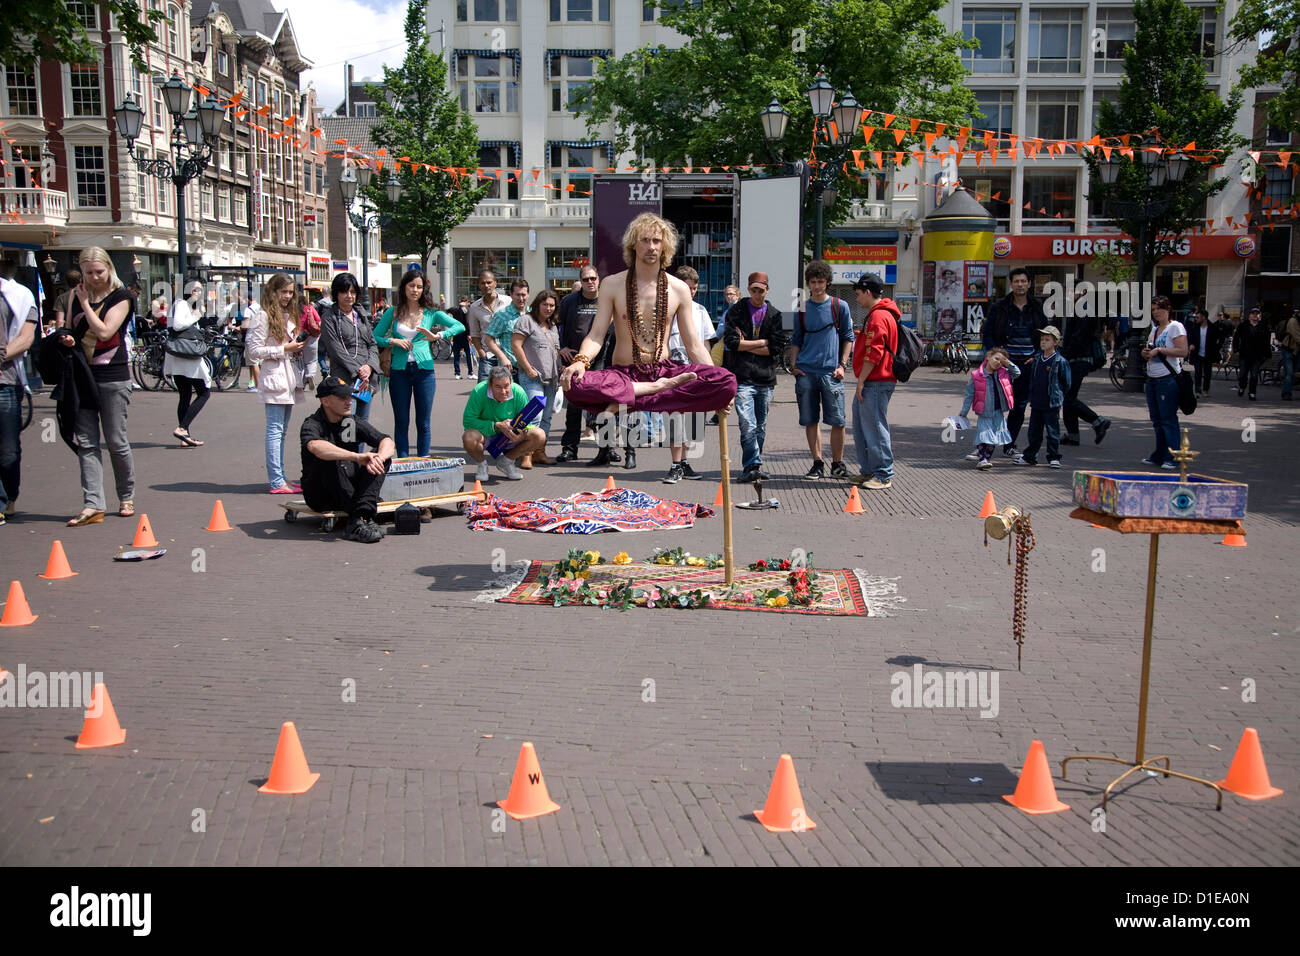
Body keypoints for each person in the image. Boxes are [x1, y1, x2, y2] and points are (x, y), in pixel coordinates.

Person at [561, 213, 736, 473]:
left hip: (663, 372)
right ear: (634, 245)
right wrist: (580, 361)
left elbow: (694, 345)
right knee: (572, 383)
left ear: (665, 246)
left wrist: (717, 380)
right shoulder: (611, 284)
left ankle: (635, 396)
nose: (651, 246)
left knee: (727, 382)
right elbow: (596, 334)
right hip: (623, 375)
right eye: (645, 240)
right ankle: (646, 392)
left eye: (657, 241)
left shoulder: (678, 289)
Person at [54, 247, 137, 526]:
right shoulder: (73, 297)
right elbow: (66, 328)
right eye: (88, 272)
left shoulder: (121, 296)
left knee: (116, 441)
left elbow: (104, 331)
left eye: (99, 272)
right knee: (87, 443)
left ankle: (126, 495)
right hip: (81, 376)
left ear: (109, 268)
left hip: (113, 376)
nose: (94, 277)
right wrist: (65, 338)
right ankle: (93, 504)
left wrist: (86, 303)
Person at [374, 269, 464, 458]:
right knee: (401, 421)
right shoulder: (393, 311)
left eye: (419, 287)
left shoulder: (431, 312)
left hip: (424, 372)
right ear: (404, 287)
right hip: (399, 371)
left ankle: (423, 461)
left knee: (423, 422)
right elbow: (375, 336)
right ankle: (404, 461)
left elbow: (459, 326)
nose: (415, 290)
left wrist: (437, 336)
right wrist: (393, 341)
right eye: (411, 286)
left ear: (424, 289)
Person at [300, 375, 396, 544]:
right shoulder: (313, 423)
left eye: (349, 396)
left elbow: (386, 440)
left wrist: (378, 458)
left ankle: (361, 516)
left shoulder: (351, 421)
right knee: (329, 455)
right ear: (326, 401)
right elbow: (316, 447)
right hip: (321, 494)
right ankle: (359, 520)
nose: (349, 401)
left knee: (381, 457)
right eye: (342, 397)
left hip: (349, 489)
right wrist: (356, 457)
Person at [790, 259, 854, 480]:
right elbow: (796, 339)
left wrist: (842, 365)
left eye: (821, 282)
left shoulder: (840, 306)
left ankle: (837, 464)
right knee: (810, 420)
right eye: (813, 282)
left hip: (831, 372)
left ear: (827, 282)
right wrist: (794, 365)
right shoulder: (802, 309)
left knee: (838, 420)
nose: (817, 286)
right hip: (806, 371)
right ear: (808, 283)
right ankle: (817, 463)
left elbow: (848, 337)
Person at [722, 271, 787, 483]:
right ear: (748, 289)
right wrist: (762, 342)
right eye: (753, 290)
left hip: (765, 378)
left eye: (761, 290)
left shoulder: (775, 315)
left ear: (767, 290)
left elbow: (777, 348)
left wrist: (746, 345)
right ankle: (752, 465)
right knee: (747, 424)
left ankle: (754, 462)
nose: (757, 294)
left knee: (761, 425)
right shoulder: (737, 311)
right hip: (742, 377)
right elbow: (732, 343)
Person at [247, 273, 308, 493]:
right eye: (283, 292)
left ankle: (280, 477)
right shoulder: (262, 316)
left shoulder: (287, 315)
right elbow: (253, 351)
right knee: (274, 429)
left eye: (291, 292)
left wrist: (296, 347)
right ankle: (276, 480)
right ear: (273, 292)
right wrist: (284, 349)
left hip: (288, 375)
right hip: (274, 375)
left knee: (281, 431)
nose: (287, 296)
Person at [983, 267, 1048, 456]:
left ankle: (1009, 443)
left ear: (1028, 284)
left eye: (1023, 281)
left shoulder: (1037, 306)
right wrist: (995, 355)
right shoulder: (999, 306)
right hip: (1004, 362)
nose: (1020, 284)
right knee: (996, 403)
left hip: (1028, 362)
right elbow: (987, 332)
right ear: (1011, 284)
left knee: (1019, 405)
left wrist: (1037, 355)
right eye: (1016, 281)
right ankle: (989, 443)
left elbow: (1047, 332)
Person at [661, 265, 717, 482]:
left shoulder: (700, 311)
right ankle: (675, 465)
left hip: (695, 372)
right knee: (674, 419)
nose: (691, 292)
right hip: (673, 372)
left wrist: (709, 371)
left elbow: (704, 344)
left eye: (694, 288)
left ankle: (685, 462)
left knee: (693, 422)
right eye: (687, 287)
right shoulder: (666, 309)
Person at [849, 275, 900, 490]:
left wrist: (861, 381)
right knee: (863, 427)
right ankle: (870, 470)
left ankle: (882, 473)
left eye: (859, 294)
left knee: (875, 427)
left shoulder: (878, 316)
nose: (858, 299)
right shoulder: (882, 314)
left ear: (868, 292)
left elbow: (874, 353)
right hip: (876, 380)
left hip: (876, 380)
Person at [0, 265, 39, 525]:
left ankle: (9, 494)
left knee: (8, 450)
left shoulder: (19, 294)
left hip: (5, 380)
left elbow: (26, 339)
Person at [462, 365, 545, 482]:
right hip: (486, 434)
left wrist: (522, 433)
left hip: (510, 435)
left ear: (511, 382)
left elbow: (528, 421)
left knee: (539, 435)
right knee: (469, 437)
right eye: (497, 387)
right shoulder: (479, 391)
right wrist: (496, 425)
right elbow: (468, 420)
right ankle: (482, 464)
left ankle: (506, 462)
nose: (503, 391)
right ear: (490, 385)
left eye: (506, 386)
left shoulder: (518, 391)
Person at [555, 265, 603, 463]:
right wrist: (562, 347)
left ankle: (607, 450)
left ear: (599, 279)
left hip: (601, 360)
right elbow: (558, 326)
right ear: (580, 282)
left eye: (593, 278)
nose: (590, 282)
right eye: (585, 279)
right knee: (573, 406)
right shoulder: (569, 301)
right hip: (574, 360)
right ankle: (570, 448)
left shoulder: (607, 299)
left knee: (603, 407)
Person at [512, 289, 562, 465]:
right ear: (537, 305)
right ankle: (526, 453)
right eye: (545, 304)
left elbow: (554, 350)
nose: (548, 308)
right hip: (532, 376)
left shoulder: (552, 325)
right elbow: (516, 346)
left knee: (547, 417)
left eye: (551, 305)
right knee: (535, 416)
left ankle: (539, 451)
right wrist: (527, 368)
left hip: (552, 378)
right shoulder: (526, 320)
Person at [319, 272, 378, 423]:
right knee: (348, 425)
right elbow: (335, 350)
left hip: (366, 380)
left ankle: (360, 448)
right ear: (336, 293)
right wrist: (359, 371)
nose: (349, 296)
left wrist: (369, 368)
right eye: (344, 291)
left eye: (352, 292)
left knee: (362, 424)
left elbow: (372, 343)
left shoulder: (361, 314)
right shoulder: (329, 318)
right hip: (345, 378)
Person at [1140, 296, 1188, 470]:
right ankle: (1159, 453)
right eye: (1153, 309)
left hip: (1167, 378)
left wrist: (1160, 349)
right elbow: (1149, 350)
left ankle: (1173, 455)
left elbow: (1183, 351)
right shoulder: (1155, 329)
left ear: (1168, 309)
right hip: (1153, 378)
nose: (1156, 312)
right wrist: (1145, 353)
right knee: (1157, 420)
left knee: (1168, 419)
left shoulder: (1175, 327)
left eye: (1159, 308)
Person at [1013, 326, 1071, 468]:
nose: (1043, 342)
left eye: (1047, 339)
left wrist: (1059, 396)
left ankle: (1054, 457)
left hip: (1051, 403)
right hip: (1037, 401)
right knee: (1034, 431)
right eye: (1042, 339)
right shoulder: (1037, 359)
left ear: (1055, 342)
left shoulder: (1060, 361)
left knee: (1052, 431)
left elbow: (1066, 382)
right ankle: (1030, 456)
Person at [163, 280, 212, 447]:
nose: (200, 292)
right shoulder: (182, 304)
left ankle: (185, 436)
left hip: (178, 354)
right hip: (186, 355)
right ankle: (183, 428)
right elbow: (177, 325)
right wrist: (195, 316)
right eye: (198, 289)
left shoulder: (178, 304)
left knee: (185, 394)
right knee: (204, 392)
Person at [1059, 299, 1111, 446]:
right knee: (1069, 397)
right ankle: (1073, 435)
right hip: (1078, 357)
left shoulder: (1083, 309)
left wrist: (1064, 355)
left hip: (1079, 358)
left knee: (1068, 397)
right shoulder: (1081, 308)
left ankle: (1098, 421)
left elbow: (1078, 337)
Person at [958, 347, 1019, 469]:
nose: (998, 362)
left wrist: (1007, 363)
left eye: (1001, 361)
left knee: (994, 437)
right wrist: (964, 411)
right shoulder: (976, 375)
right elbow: (969, 394)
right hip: (984, 411)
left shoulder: (1003, 373)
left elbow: (1017, 373)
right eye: (996, 358)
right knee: (984, 435)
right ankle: (983, 459)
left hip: (998, 410)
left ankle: (987, 458)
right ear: (988, 357)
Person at [466, 269, 506, 384]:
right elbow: (474, 334)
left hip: (506, 354)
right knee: (483, 391)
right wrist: (481, 353)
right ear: (478, 285)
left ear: (495, 283)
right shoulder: (474, 307)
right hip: (488, 356)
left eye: (489, 282)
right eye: (482, 283)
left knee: (507, 392)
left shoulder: (508, 302)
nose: (486, 285)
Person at [1233, 306, 1271, 401]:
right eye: (1253, 314)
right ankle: (1242, 387)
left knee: (1254, 375)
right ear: (1249, 315)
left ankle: (1252, 392)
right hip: (1244, 354)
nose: (1255, 316)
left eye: (1257, 314)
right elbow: (1236, 338)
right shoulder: (1243, 325)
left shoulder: (1263, 327)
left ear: (1260, 316)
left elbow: (1266, 342)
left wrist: (1266, 354)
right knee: (1242, 374)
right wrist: (1236, 349)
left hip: (1257, 356)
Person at [1187, 308, 1222, 398]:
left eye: (1198, 317)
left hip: (1208, 354)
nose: (1196, 319)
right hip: (1197, 353)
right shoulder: (1194, 327)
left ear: (1204, 317)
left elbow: (1220, 338)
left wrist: (1216, 348)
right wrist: (1191, 345)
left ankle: (1206, 390)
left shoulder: (1212, 327)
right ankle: (1198, 391)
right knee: (1198, 372)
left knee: (1207, 373)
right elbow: (1190, 338)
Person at [241, 293, 264, 391]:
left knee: (254, 363)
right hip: (262, 337)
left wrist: (239, 327)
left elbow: (246, 325)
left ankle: (257, 386)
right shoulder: (262, 308)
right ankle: (262, 384)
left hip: (251, 337)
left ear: (248, 299)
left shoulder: (248, 309)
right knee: (261, 362)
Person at [449, 294, 474, 380]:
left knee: (456, 355)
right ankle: (470, 373)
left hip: (456, 333)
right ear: (467, 301)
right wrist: (469, 334)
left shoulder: (455, 309)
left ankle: (457, 373)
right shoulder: (466, 309)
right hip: (464, 334)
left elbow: (446, 310)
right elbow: (467, 322)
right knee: (468, 354)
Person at [1280, 308, 1300, 401]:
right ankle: (1286, 393)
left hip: (1297, 350)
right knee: (1289, 372)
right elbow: (1297, 337)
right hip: (1289, 349)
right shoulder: (1293, 321)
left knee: (1294, 373)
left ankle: (1287, 391)